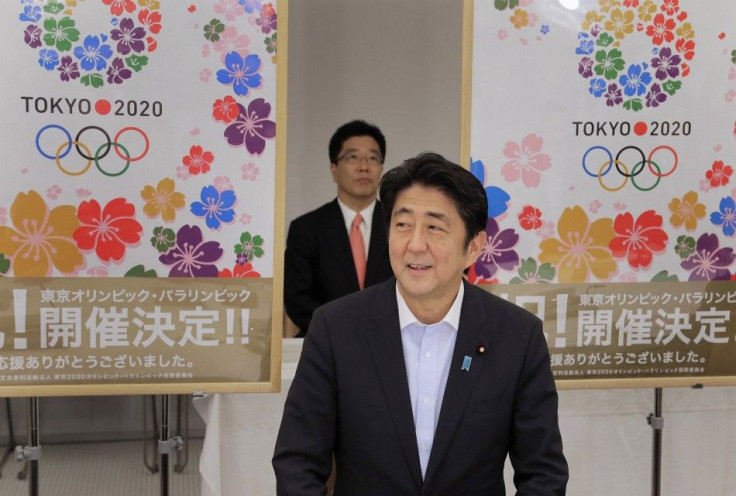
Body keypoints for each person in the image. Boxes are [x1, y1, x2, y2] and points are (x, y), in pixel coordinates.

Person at [273, 152, 568, 495]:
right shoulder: (336, 328)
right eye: (403, 225)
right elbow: (297, 463)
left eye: (434, 227)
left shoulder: (518, 336)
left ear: (473, 247)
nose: (415, 244)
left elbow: (543, 475)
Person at [284, 120, 394, 337]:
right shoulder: (305, 229)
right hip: (325, 343)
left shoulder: (400, 226)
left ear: (381, 168)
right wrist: (342, 332)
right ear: (334, 169)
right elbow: (297, 300)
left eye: (373, 158)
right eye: (353, 157)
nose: (364, 166)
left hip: (391, 339)